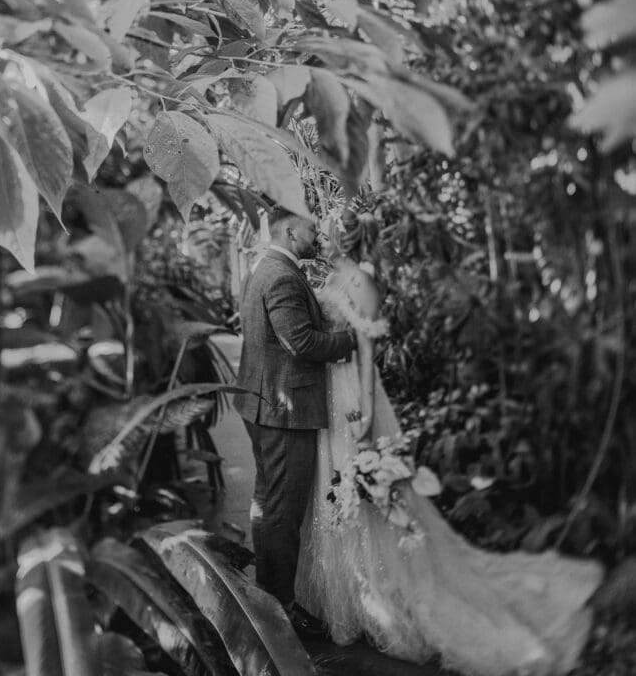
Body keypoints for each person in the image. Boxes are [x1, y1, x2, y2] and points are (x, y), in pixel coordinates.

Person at [295, 220, 605, 676]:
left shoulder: (362, 282)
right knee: (332, 486)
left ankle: (386, 592)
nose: (320, 237)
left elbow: (367, 352)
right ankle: (346, 593)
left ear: (346, 237)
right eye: (319, 231)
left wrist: (363, 413)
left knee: (362, 493)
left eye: (327, 231)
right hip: (326, 392)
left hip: (352, 398)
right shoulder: (329, 278)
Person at [233, 206, 357, 636]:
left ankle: (271, 599)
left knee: (269, 503)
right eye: (309, 228)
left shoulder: (265, 267)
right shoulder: (282, 275)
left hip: (264, 403)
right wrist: (354, 340)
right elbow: (301, 342)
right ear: (289, 230)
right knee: (282, 512)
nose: (316, 233)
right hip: (283, 410)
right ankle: (279, 608)